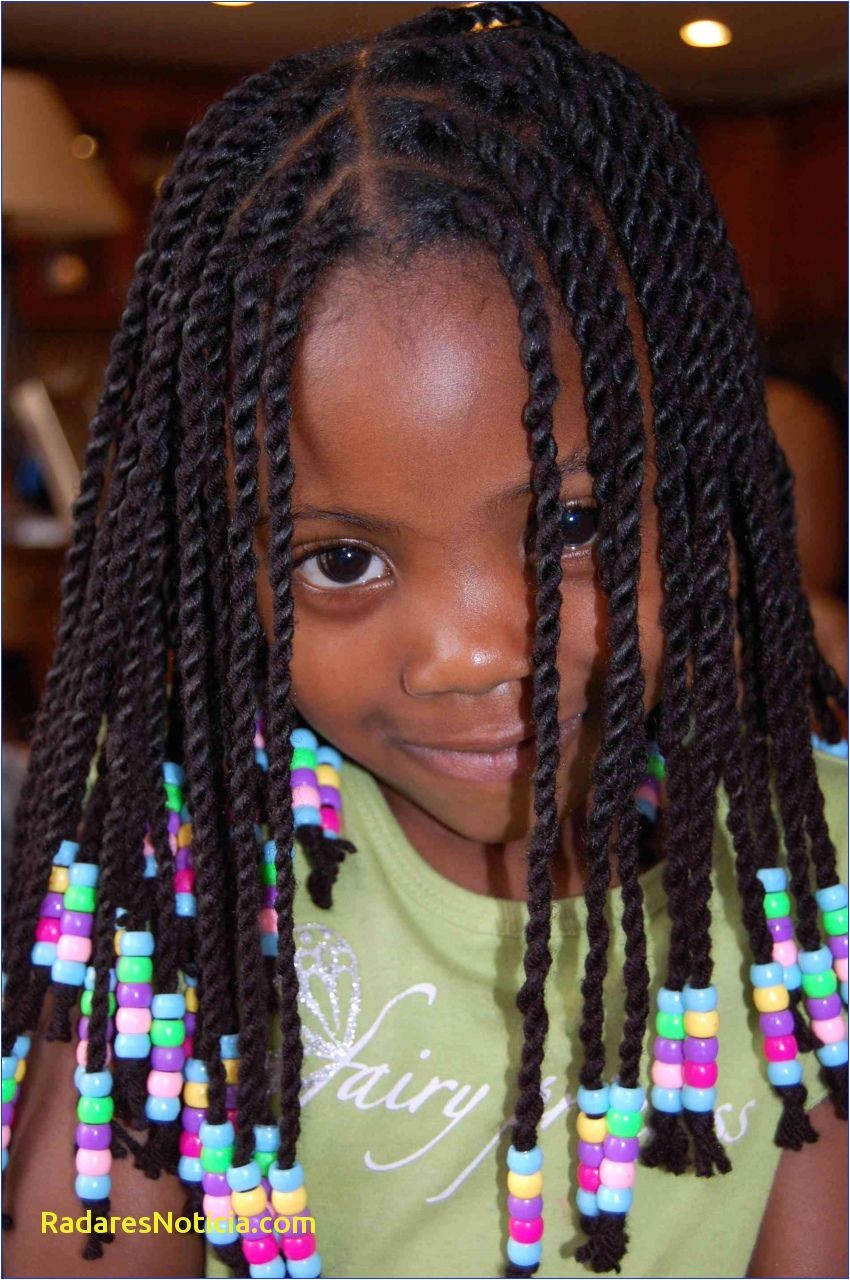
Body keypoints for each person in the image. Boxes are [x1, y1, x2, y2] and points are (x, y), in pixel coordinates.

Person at [2, 5, 847, 1278]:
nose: (466, 652)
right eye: (341, 560)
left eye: (568, 521)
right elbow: (85, 1235)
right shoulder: (188, 868)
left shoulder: (803, 870)